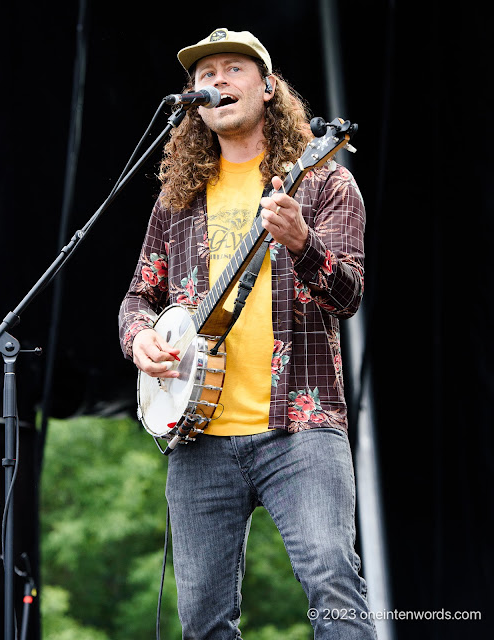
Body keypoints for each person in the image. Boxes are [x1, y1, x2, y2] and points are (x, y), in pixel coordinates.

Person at [119, 27, 376, 640]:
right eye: (204, 76)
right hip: (198, 437)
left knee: (333, 586)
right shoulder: (176, 201)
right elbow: (137, 297)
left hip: (301, 427)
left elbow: (349, 295)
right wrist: (140, 339)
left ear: (267, 88)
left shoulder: (324, 181)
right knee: (202, 620)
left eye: (232, 69)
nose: (216, 82)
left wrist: (304, 244)